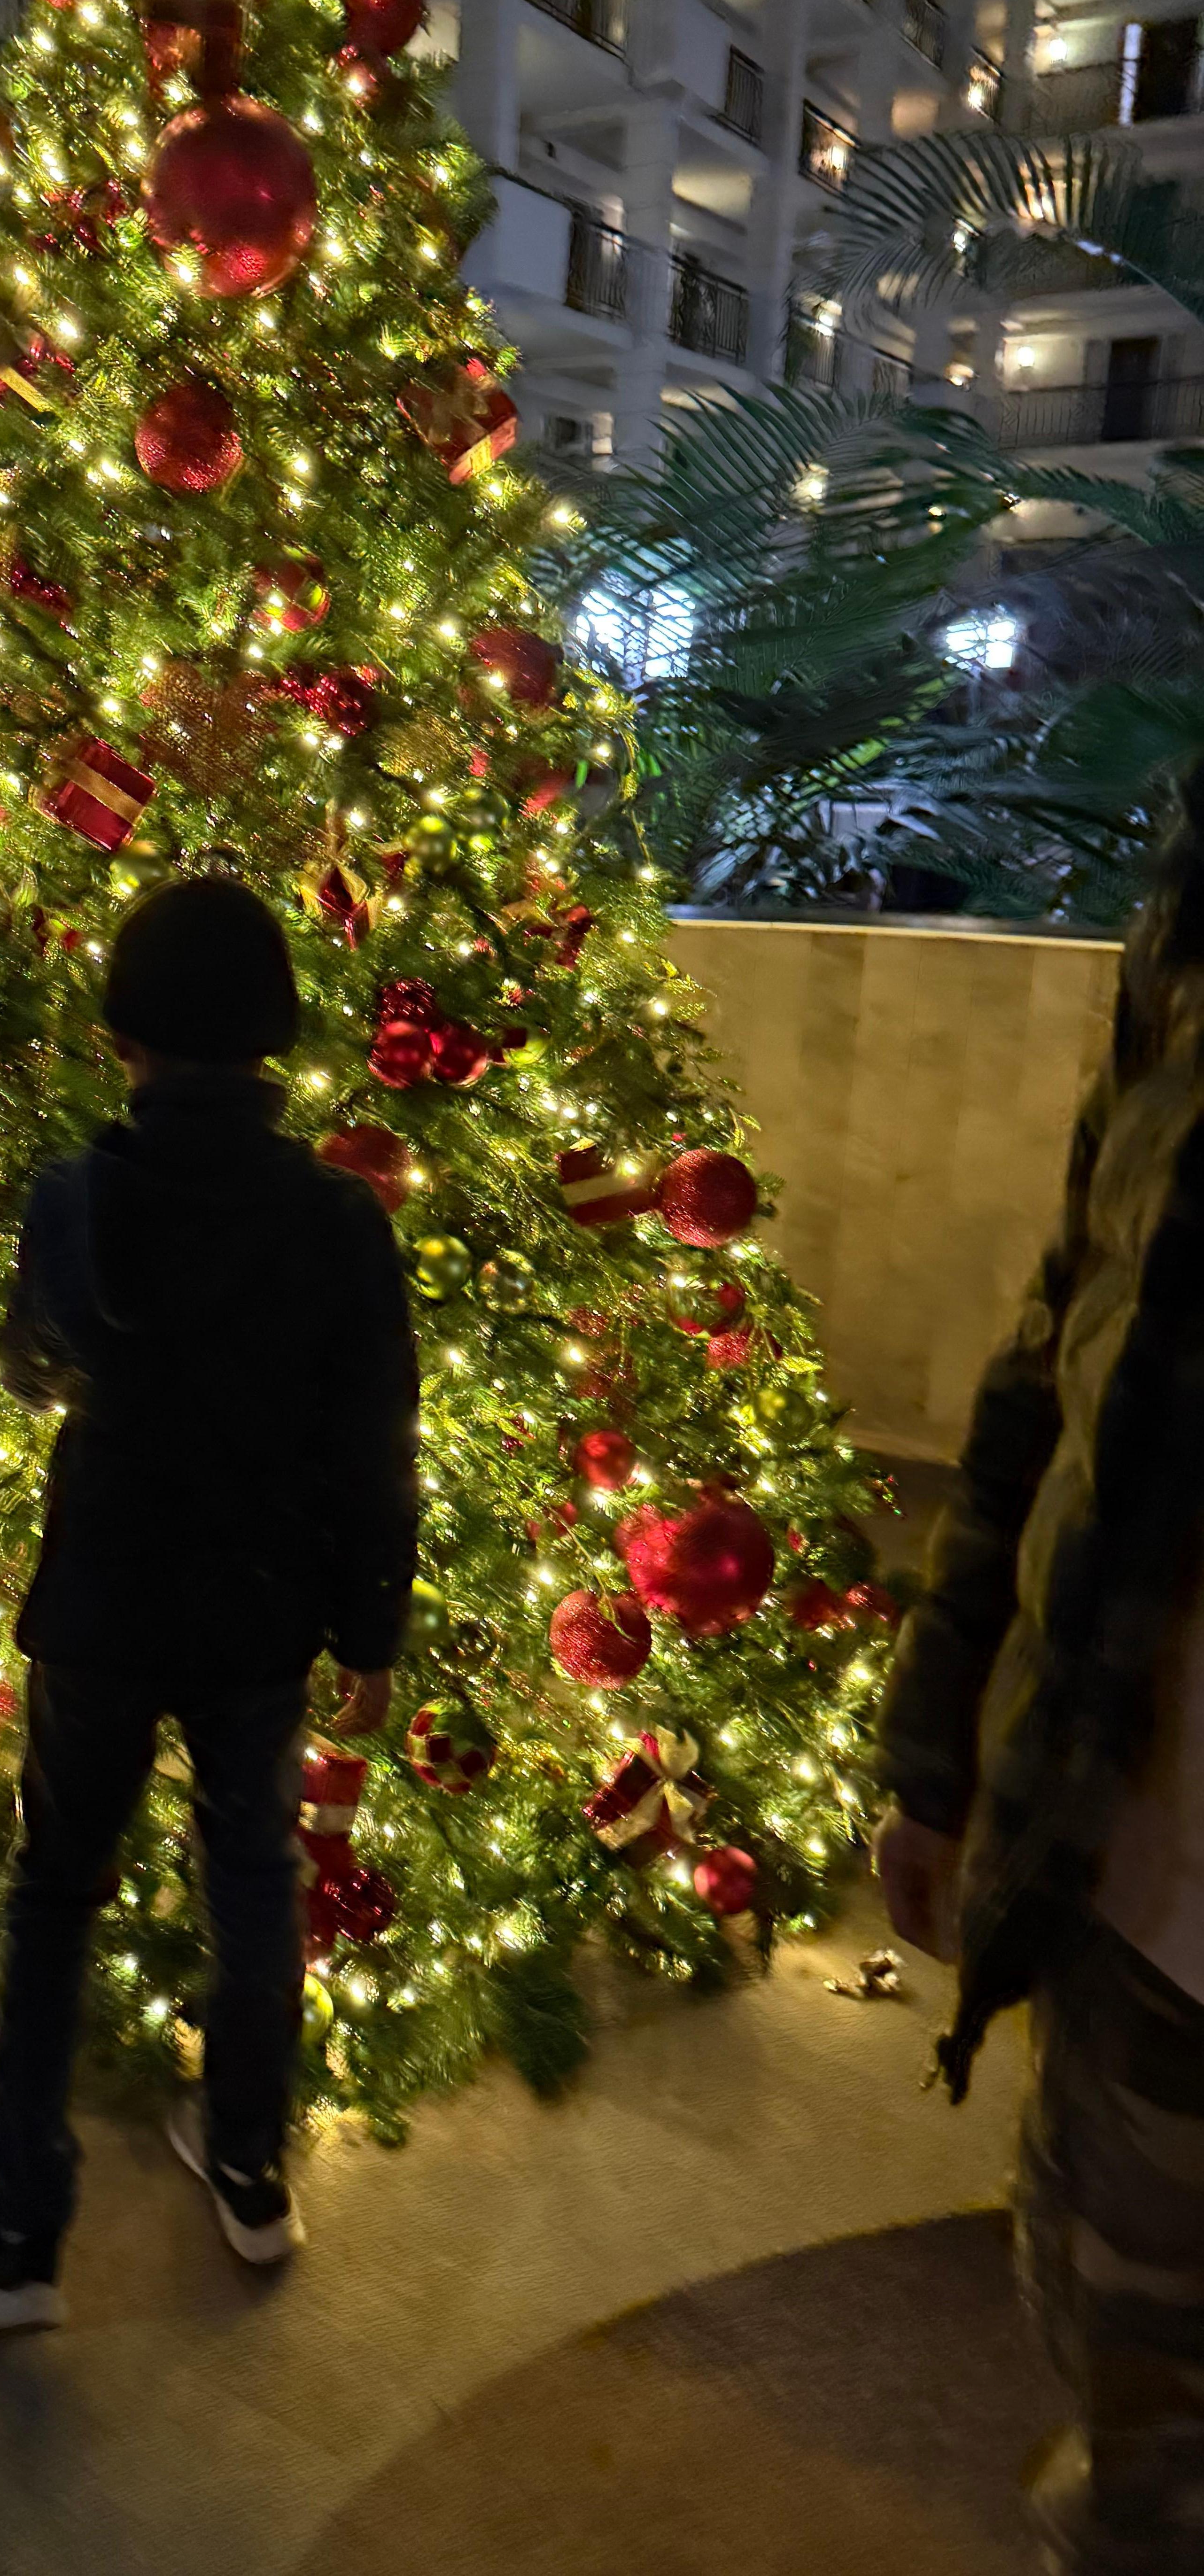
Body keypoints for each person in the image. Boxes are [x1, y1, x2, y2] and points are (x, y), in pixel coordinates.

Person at [0, 877, 420, 2329]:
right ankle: (251, 2170)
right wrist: (372, 1635)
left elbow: (30, 1371)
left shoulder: (75, 1196)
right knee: (255, 1876)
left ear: (118, 1034)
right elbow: (373, 1445)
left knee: (50, 1895)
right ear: (273, 1038)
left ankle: (20, 2238)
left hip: (102, 1600)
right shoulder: (339, 1220)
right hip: (261, 1612)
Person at [876, 766, 1204, 2574]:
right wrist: (936, 1749)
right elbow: (1053, 1355)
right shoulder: (1190, 926)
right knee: (1113, 2353)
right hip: (1136, 1878)